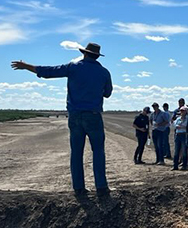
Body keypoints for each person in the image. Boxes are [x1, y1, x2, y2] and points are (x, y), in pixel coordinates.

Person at [11, 42, 112, 197]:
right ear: (97, 55)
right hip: (93, 115)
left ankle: (78, 188)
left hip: (75, 115)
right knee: (98, 151)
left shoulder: (73, 67)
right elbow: (107, 93)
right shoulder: (104, 72)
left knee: (76, 152)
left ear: (84, 53)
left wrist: (26, 66)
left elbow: (48, 72)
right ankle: (101, 187)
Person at [171, 106, 188, 170]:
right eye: (181, 111)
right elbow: (174, 125)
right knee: (176, 151)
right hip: (177, 135)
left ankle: (184, 165)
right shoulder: (178, 118)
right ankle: (175, 165)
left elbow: (186, 126)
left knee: (184, 150)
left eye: (183, 111)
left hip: (184, 135)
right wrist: (180, 126)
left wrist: (180, 126)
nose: (182, 112)